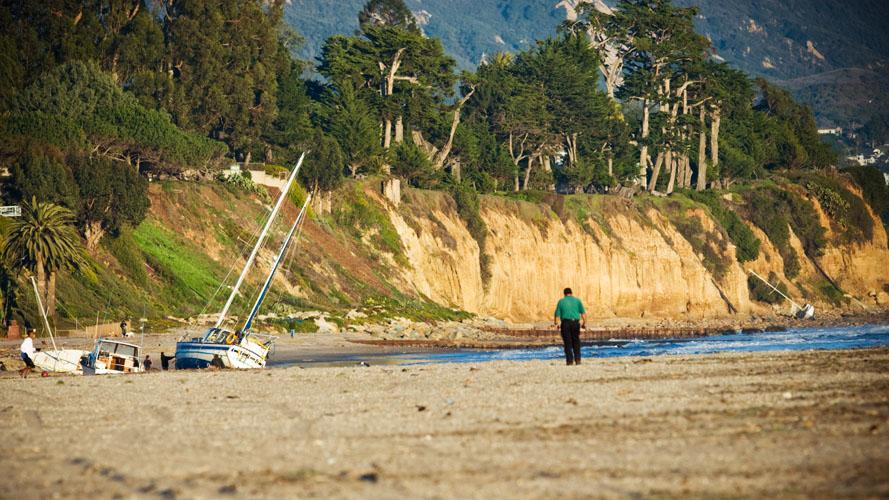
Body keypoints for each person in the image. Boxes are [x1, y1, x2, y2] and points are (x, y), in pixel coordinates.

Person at [554, 287, 587, 365]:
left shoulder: (561, 301)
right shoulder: (577, 300)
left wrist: (556, 324)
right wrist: (584, 322)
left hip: (565, 323)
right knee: (576, 341)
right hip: (575, 322)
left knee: (567, 342)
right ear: (571, 293)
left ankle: (569, 361)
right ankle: (578, 360)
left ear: (564, 294)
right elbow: (583, 313)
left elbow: (557, 315)